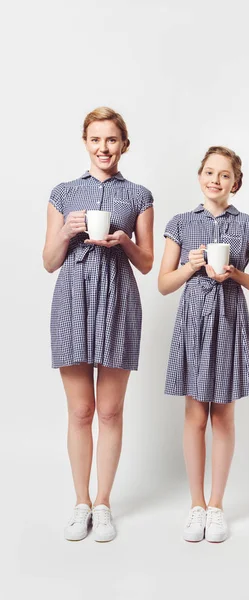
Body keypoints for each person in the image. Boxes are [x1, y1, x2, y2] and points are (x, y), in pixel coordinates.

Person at [43, 107, 154, 542]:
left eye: (111, 140)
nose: (103, 148)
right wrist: (66, 233)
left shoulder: (140, 196)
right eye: (95, 139)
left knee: (109, 411)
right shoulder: (63, 193)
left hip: (119, 301)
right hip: (71, 301)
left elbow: (146, 264)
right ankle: (80, 503)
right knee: (80, 411)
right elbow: (50, 262)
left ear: (123, 144)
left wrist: (124, 239)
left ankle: (104, 503)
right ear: (85, 142)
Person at [158, 146, 249, 542]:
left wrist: (235, 275)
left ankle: (217, 506)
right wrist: (191, 267)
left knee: (223, 416)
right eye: (210, 172)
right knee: (194, 416)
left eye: (225, 175)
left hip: (228, 322)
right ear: (199, 176)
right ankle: (196, 505)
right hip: (192, 323)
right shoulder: (180, 223)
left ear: (235, 183)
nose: (216, 180)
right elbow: (163, 284)